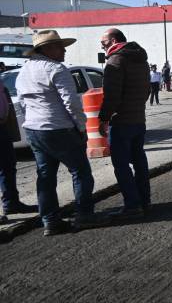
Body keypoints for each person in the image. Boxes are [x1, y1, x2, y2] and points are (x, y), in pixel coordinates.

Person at [15, 30, 105, 235]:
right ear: (46, 49)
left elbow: (22, 102)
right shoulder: (56, 69)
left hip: (34, 129)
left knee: (45, 176)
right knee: (80, 171)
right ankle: (84, 214)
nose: (64, 50)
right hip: (58, 128)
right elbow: (71, 103)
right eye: (59, 46)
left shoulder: (24, 71)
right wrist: (82, 127)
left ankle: (50, 220)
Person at [98, 28, 151, 219]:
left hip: (120, 122)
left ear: (113, 41)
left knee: (121, 165)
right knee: (139, 161)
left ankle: (132, 204)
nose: (102, 47)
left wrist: (103, 118)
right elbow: (146, 91)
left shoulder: (116, 61)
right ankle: (144, 200)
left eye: (103, 43)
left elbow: (111, 96)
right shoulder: (141, 60)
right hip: (139, 119)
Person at [1, 80, 36, 224]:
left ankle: (12, 203)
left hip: (2, 127)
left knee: (8, 166)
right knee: (6, 167)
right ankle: (11, 203)